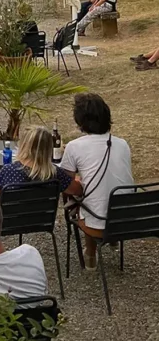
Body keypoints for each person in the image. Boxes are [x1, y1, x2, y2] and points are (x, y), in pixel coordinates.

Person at [60, 93, 133, 269]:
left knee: (84, 200)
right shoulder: (122, 144)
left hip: (97, 224)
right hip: (128, 220)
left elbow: (67, 186)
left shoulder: (74, 147)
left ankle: (91, 256)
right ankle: (113, 240)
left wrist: (81, 184)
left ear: (80, 121)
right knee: (105, 190)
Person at [0, 125, 76, 198]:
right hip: (40, 220)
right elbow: (77, 190)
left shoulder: (9, 171)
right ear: (49, 148)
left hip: (8, 221)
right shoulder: (55, 173)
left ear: (24, 145)